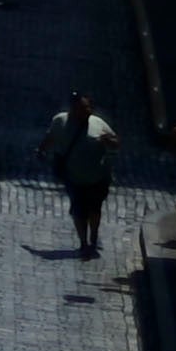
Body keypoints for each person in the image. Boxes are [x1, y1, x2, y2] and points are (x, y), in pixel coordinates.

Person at [43, 94, 123, 257]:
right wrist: (41, 149)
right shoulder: (60, 121)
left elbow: (116, 143)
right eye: (83, 108)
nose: (88, 110)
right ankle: (83, 242)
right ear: (73, 110)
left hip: (98, 178)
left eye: (88, 107)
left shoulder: (97, 123)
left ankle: (93, 234)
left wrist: (110, 142)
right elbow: (51, 137)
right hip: (74, 178)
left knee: (95, 209)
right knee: (79, 212)